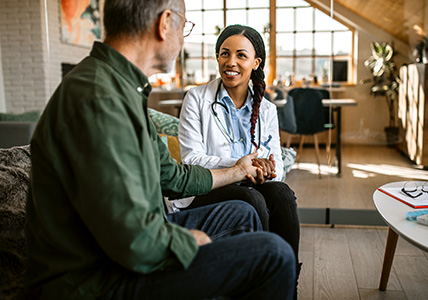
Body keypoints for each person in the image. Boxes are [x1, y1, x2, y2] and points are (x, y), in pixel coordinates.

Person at [24, 1, 296, 299]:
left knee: (242, 212)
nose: (183, 40)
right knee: (274, 254)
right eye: (185, 27)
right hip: (96, 279)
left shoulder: (122, 88)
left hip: (126, 245)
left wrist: (238, 170)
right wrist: (188, 241)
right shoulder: (100, 100)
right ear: (165, 23)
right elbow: (131, 240)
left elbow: (171, 176)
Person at [178, 24, 302, 296]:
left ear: (256, 62)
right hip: (208, 188)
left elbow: (277, 163)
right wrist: (240, 167)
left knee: (281, 193)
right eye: (224, 53)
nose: (230, 62)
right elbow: (190, 159)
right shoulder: (196, 99)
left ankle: (287, 283)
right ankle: (261, 278)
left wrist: (266, 171)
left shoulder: (266, 109)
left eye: (241, 55)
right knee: (253, 199)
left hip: (250, 184)